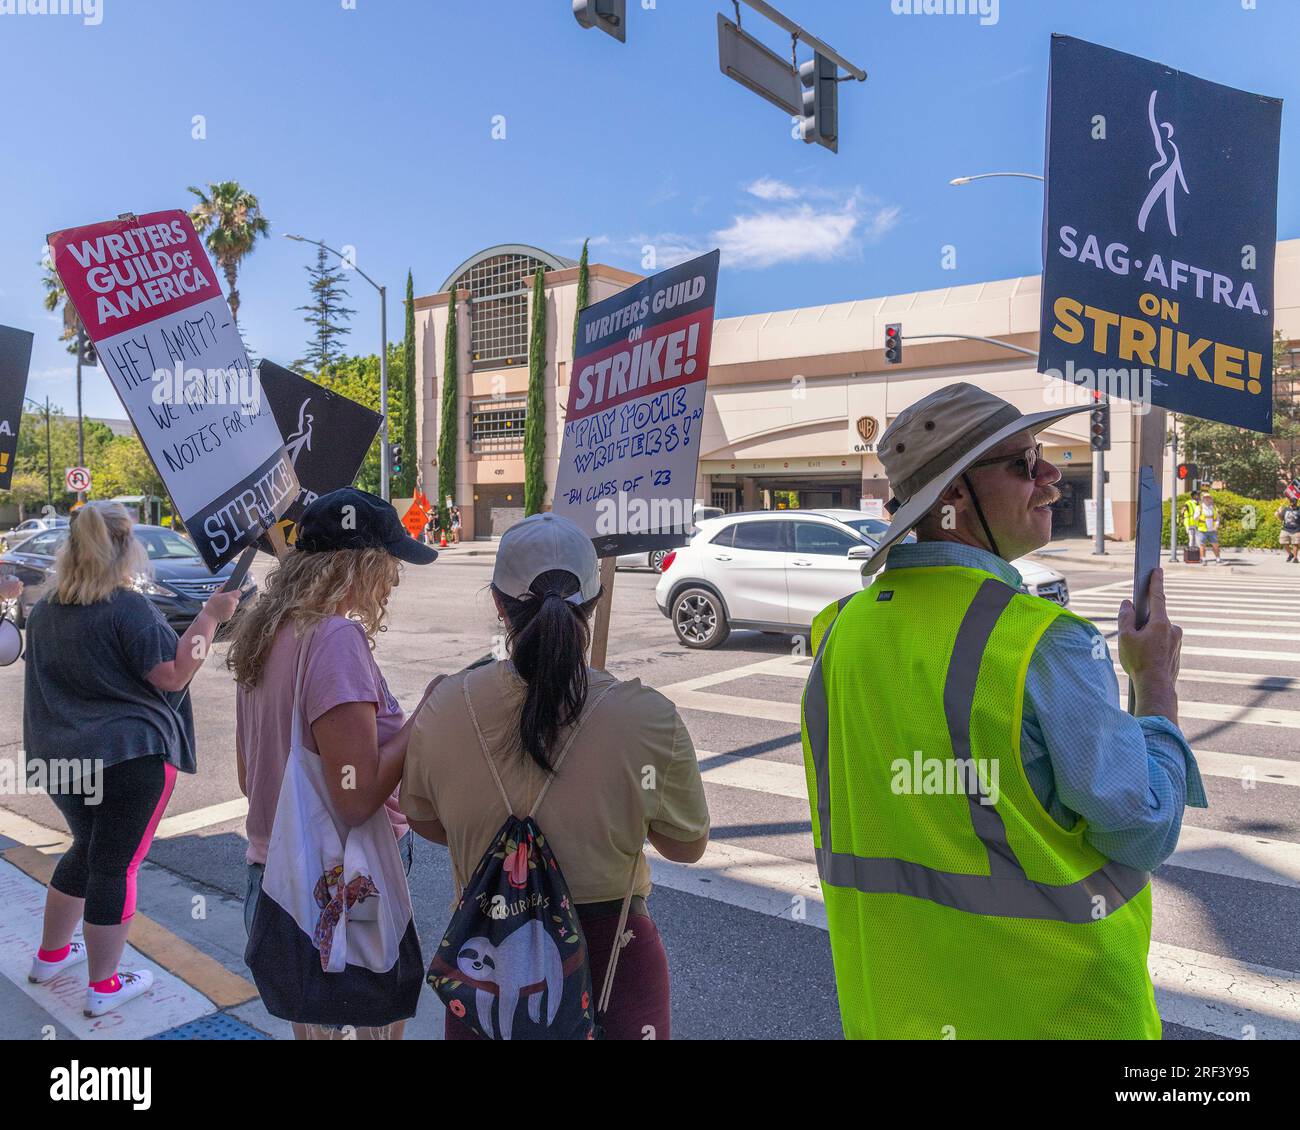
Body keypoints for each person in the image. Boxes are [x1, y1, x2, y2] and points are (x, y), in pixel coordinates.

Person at [801, 383, 1205, 1040]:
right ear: (954, 497)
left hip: (892, 1012)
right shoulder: (1041, 642)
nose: (1051, 476)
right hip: (1057, 1014)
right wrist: (1155, 686)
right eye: (1024, 462)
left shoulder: (836, 634)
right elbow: (1144, 831)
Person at [401, 512, 710, 1040]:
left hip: (487, 969)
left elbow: (425, 820)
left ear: (499, 604)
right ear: (595, 601)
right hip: (615, 961)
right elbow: (687, 845)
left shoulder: (445, 706)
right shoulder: (650, 718)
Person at [228, 488, 440, 1040]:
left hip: (276, 881)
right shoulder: (336, 637)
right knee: (375, 1022)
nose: (393, 577)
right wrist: (426, 715)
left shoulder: (264, 632)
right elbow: (355, 795)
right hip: (345, 883)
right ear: (362, 564)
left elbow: (250, 777)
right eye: (389, 562)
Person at [23, 502, 240, 1017]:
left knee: (87, 851)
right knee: (115, 866)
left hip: (61, 760)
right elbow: (175, 675)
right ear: (126, 548)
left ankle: (51, 955)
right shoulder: (126, 608)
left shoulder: (46, 609)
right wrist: (209, 618)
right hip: (129, 757)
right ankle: (104, 986)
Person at [1195, 491, 1221, 565]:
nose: (1207, 499)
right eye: (1205, 498)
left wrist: (1216, 525)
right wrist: (1198, 515)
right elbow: (1195, 518)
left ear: (1211, 499)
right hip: (1202, 530)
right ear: (1203, 499)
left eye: (1208, 498)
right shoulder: (1199, 508)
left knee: (1215, 544)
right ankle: (1203, 559)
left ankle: (1218, 558)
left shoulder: (1214, 508)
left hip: (1212, 530)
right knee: (1202, 545)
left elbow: (1217, 519)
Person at [1277, 497, 1300, 563]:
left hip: (1296, 529)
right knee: (1283, 542)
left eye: (1294, 503)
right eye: (1291, 503)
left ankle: (1295, 558)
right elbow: (1282, 518)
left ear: (1296, 503)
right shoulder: (1286, 509)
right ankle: (1290, 554)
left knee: (1295, 543)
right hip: (1286, 529)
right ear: (1290, 502)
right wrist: (1279, 513)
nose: (1292, 505)